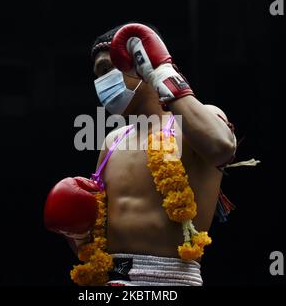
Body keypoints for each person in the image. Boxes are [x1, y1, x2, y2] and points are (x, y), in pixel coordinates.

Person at [44, 23, 241, 286]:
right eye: (98, 74)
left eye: (107, 69)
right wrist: (78, 233)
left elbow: (222, 147)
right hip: (111, 283)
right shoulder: (113, 141)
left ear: (140, 62)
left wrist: (162, 72)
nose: (101, 82)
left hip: (171, 282)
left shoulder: (197, 123)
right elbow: (94, 244)